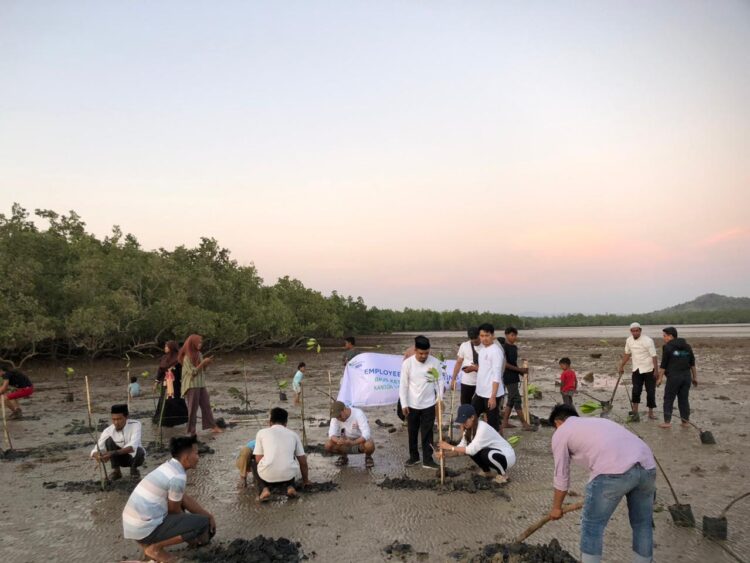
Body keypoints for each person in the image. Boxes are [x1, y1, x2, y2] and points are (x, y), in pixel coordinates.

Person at [547, 404, 656, 563]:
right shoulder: (599, 422)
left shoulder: (561, 432)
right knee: (642, 523)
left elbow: (561, 474)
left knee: (592, 526)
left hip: (611, 472)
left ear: (557, 422)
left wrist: (556, 508)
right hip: (647, 466)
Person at [122, 435, 215, 563]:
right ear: (186, 457)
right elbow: (174, 511)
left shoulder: (169, 466)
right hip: (144, 528)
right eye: (196, 454)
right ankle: (155, 548)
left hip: (132, 526)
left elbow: (183, 498)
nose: (198, 458)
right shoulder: (178, 476)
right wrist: (195, 526)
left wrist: (208, 515)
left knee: (194, 514)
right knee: (201, 523)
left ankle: (148, 549)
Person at [437, 404, 516, 484]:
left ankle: (503, 475)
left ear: (472, 417)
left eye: (465, 421)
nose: (464, 424)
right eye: (462, 422)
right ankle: (487, 472)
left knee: (485, 454)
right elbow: (460, 449)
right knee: (471, 448)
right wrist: (445, 455)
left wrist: (450, 447)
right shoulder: (468, 430)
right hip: (495, 453)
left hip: (507, 456)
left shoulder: (482, 428)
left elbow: (470, 450)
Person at [399, 335, 443, 470]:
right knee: (412, 432)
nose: (424, 356)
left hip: (429, 404)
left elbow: (439, 381)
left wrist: (439, 399)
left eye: (426, 353)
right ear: (415, 350)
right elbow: (403, 385)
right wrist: (404, 404)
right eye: (421, 353)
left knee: (428, 433)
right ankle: (414, 457)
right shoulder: (408, 363)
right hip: (412, 405)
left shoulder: (435, 362)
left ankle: (428, 460)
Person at [253, 407, 311, 501]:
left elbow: (258, 460)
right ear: (285, 423)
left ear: (270, 422)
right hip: (288, 475)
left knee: (253, 461)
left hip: (267, 475)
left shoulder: (261, 433)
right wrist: (306, 480)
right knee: (291, 457)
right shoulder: (293, 435)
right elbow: (303, 462)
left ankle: (264, 489)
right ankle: (290, 487)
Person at [178, 334, 222, 437]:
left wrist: (206, 363)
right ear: (192, 343)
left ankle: (212, 426)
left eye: (201, 342)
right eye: (198, 342)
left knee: (206, 405)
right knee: (193, 408)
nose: (200, 344)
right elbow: (192, 372)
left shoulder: (199, 354)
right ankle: (191, 431)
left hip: (201, 383)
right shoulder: (186, 357)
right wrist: (203, 363)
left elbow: (201, 370)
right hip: (192, 385)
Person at [91, 404, 146, 480]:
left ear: (126, 417)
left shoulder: (135, 425)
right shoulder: (108, 430)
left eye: (119, 419)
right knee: (108, 441)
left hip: (134, 458)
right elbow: (95, 450)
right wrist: (98, 456)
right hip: (119, 459)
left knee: (139, 450)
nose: (116, 422)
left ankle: (134, 470)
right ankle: (116, 472)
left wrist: (111, 453)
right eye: (114, 419)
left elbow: (132, 447)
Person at [658, 327, 697, 430]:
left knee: (668, 398)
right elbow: (692, 363)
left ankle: (667, 422)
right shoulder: (687, 346)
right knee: (683, 399)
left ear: (671, 336)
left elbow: (663, 364)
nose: (664, 338)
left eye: (664, 336)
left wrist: (659, 378)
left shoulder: (667, 347)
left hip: (674, 377)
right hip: (686, 377)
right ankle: (685, 422)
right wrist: (695, 377)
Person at [618, 322, 659, 420]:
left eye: (637, 331)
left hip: (649, 369)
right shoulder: (629, 340)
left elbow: (654, 356)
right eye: (633, 331)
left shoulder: (648, 340)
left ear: (640, 330)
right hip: (636, 369)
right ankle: (635, 411)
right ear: (631, 331)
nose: (635, 333)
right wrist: (621, 366)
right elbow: (627, 354)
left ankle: (650, 413)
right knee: (636, 390)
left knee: (650, 391)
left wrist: (656, 371)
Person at [472, 324, 505, 433]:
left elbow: (496, 375)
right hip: (480, 392)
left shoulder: (496, 351)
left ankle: (496, 446)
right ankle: (473, 439)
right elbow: (484, 370)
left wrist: (493, 397)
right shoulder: (483, 350)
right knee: (471, 415)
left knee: (492, 423)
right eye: (482, 336)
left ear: (493, 336)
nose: (484, 338)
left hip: (491, 394)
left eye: (487, 335)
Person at [500, 327, 534, 431]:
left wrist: (521, 371)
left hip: (514, 376)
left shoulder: (514, 347)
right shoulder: (503, 348)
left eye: (515, 335)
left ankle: (505, 422)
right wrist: (519, 369)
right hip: (508, 376)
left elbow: (513, 363)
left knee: (511, 400)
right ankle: (524, 423)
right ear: (506, 335)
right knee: (516, 399)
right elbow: (504, 364)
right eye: (512, 335)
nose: (514, 337)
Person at [324, 400, 376, 468]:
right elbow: (331, 434)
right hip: (344, 441)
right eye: (337, 417)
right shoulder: (336, 418)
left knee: (369, 445)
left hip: (359, 441)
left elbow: (366, 434)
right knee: (328, 445)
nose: (338, 418)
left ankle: (368, 457)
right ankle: (343, 456)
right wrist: (338, 441)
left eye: (340, 416)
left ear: (345, 409)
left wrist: (352, 442)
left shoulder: (358, 413)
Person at [152, 341, 188, 427]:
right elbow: (160, 371)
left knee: (175, 400)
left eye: (167, 347)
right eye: (165, 346)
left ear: (172, 348)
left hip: (176, 384)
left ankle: (180, 420)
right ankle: (163, 421)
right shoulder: (164, 358)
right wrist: (156, 383)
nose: (165, 348)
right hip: (165, 384)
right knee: (164, 401)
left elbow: (183, 372)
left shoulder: (179, 359)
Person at [450, 327, 481, 407]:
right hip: (467, 382)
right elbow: (458, 362)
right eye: (472, 338)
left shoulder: (485, 346)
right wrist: (453, 379)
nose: (474, 340)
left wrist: (475, 368)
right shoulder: (464, 345)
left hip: (482, 382)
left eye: (475, 338)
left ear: (479, 335)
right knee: (465, 406)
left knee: (481, 407)